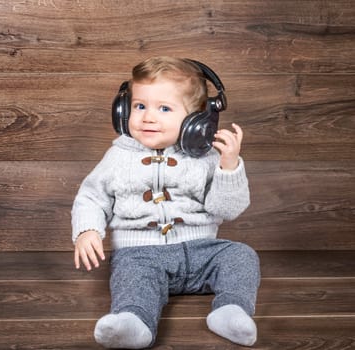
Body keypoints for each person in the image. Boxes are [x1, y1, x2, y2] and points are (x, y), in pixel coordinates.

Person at [71, 56, 260, 349]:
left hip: (202, 252)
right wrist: (87, 230)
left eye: (164, 108)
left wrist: (229, 166)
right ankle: (133, 322)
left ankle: (231, 310)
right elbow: (92, 197)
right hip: (141, 254)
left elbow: (227, 210)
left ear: (196, 121)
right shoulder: (118, 157)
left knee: (241, 255)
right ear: (123, 111)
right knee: (132, 277)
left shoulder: (207, 159)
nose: (148, 117)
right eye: (139, 106)